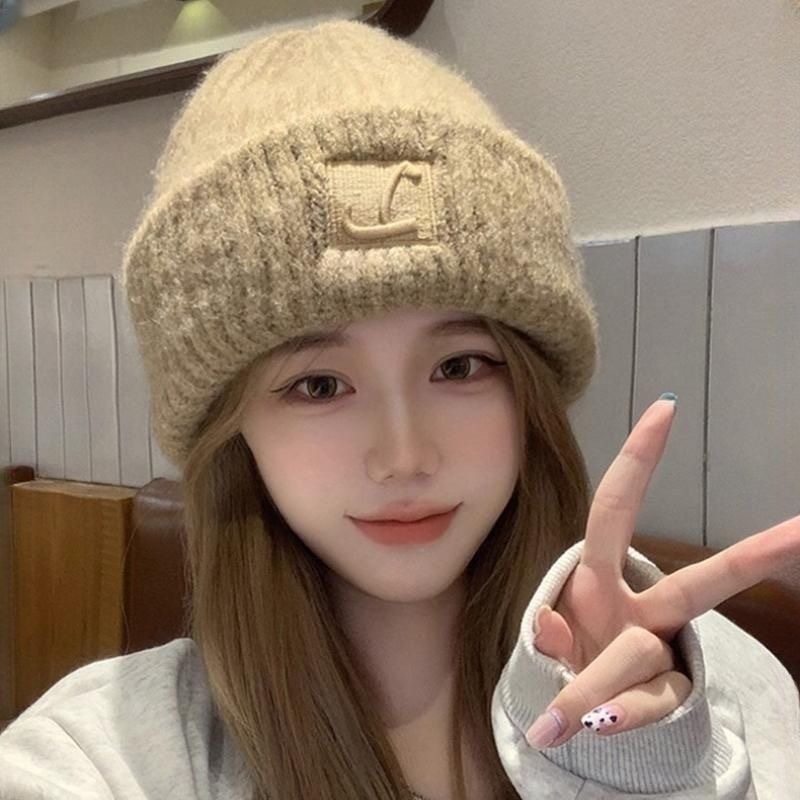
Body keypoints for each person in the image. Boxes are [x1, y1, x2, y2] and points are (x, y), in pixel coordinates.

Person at [1, 17, 798, 800]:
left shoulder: (701, 688)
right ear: (231, 423)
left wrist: (649, 780)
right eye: (319, 385)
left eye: (459, 366)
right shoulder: (102, 754)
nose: (405, 456)